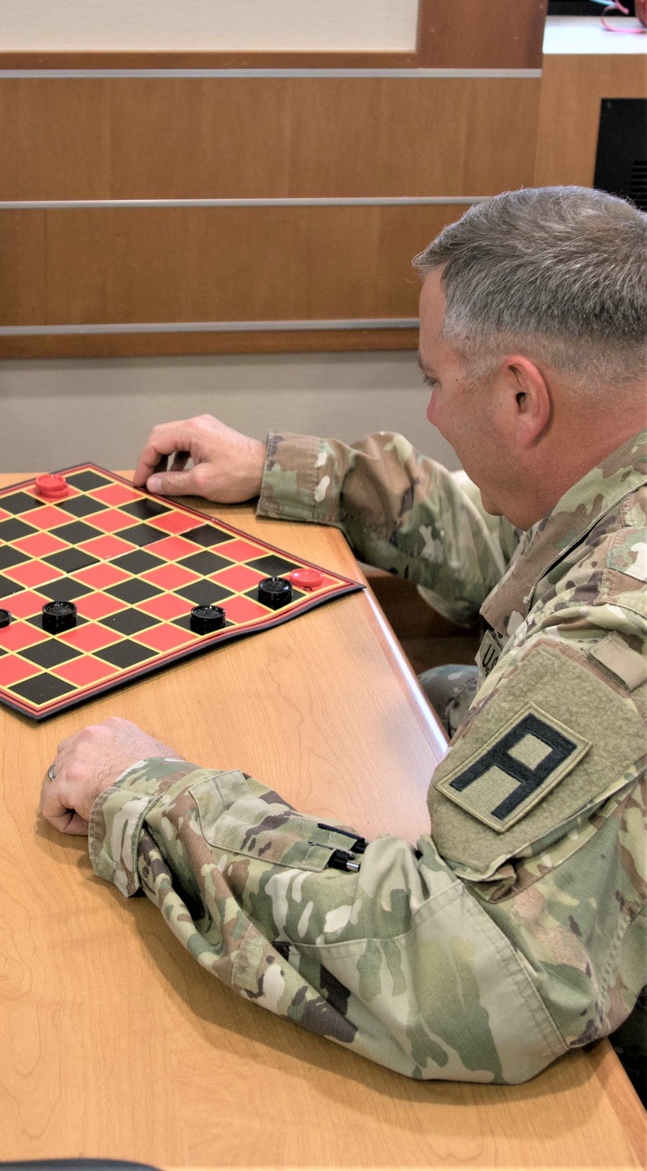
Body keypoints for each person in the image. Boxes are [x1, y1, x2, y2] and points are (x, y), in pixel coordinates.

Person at [39, 186, 647, 1087]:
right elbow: (534, 553)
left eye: (435, 382)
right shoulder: (616, 488)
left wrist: (149, 796)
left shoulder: (617, 628)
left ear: (523, 394)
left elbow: (469, 979)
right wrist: (294, 472)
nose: (433, 415)